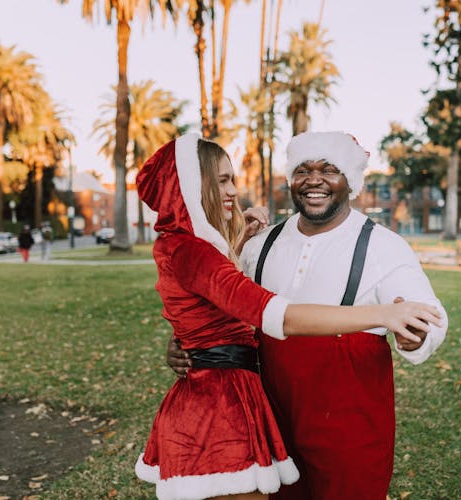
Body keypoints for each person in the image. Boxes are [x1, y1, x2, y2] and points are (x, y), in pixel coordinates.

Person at [135, 133, 441, 500]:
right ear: (291, 180)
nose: (314, 179)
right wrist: (187, 343)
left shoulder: (384, 246)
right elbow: (221, 302)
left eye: (329, 169)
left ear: (350, 181)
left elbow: (427, 314)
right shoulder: (259, 245)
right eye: (302, 170)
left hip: (349, 424)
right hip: (271, 414)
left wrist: (417, 336)